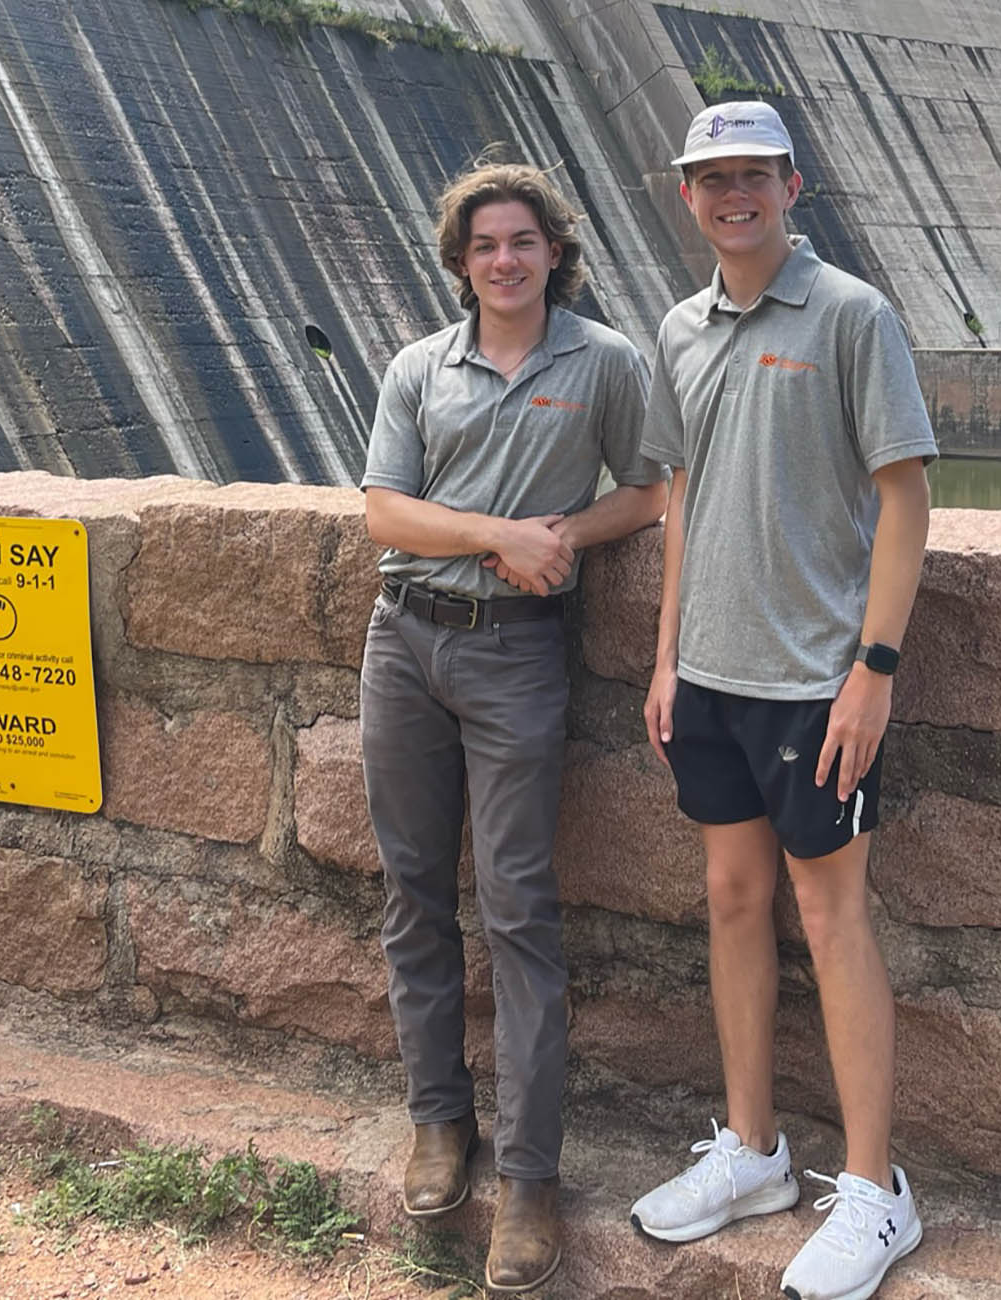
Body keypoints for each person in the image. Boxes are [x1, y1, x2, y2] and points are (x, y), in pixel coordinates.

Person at [626, 102, 939, 1300]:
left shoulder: (852, 314)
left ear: (791, 186)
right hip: (708, 678)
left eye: (753, 174)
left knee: (831, 915)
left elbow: (903, 500)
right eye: (713, 179)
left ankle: (875, 1192)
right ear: (688, 195)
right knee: (730, 899)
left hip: (816, 682)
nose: (733, 194)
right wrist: (665, 657)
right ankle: (752, 1150)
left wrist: (875, 668)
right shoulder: (681, 329)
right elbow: (683, 497)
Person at [359, 160, 666, 1294]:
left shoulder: (605, 362)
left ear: (552, 252)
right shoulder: (415, 369)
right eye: (484, 245)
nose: (503, 260)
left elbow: (648, 489)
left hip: (516, 654)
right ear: (460, 262)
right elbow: (384, 509)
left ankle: (530, 1177)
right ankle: (441, 1123)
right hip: (402, 640)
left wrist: (564, 537)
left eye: (521, 242)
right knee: (410, 893)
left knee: (520, 907)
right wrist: (498, 533)